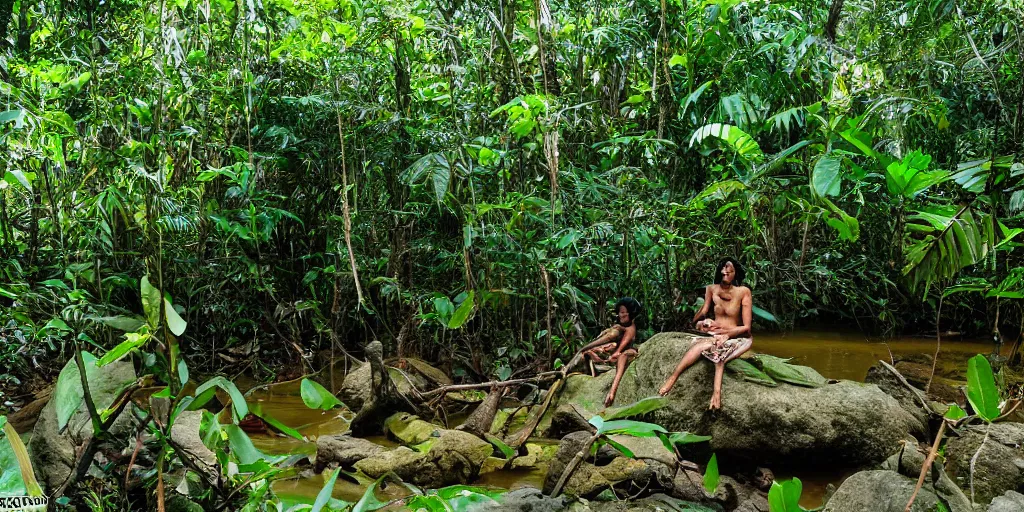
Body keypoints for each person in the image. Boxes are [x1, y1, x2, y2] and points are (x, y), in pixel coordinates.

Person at [658, 258, 753, 410]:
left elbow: (747, 327)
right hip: (714, 332)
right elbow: (702, 312)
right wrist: (700, 322)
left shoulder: (743, 291)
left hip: (735, 334)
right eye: (723, 269)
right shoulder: (711, 289)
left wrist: (727, 334)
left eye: (730, 270)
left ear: (735, 273)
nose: (726, 272)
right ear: (719, 271)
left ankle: (716, 395)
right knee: (699, 346)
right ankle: (672, 378)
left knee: (719, 353)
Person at [574, 297, 643, 406]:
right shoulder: (619, 327)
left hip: (621, 355)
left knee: (621, 356)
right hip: (609, 355)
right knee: (587, 354)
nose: (621, 315)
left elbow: (625, 342)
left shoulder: (630, 329)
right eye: (620, 313)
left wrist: (617, 351)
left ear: (631, 314)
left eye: (624, 313)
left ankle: (612, 392)